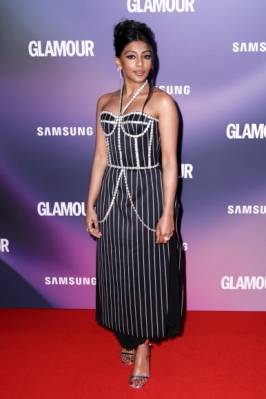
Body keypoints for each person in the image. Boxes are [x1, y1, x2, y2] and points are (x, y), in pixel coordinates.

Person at [85, 19, 183, 389]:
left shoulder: (162, 102)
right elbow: (99, 157)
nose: (140, 63)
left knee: (146, 273)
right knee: (117, 270)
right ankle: (127, 333)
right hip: (111, 196)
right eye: (131, 56)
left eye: (146, 56)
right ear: (117, 61)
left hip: (148, 193)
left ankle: (142, 349)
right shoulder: (104, 103)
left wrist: (167, 211)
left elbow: (171, 161)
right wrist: (90, 203)